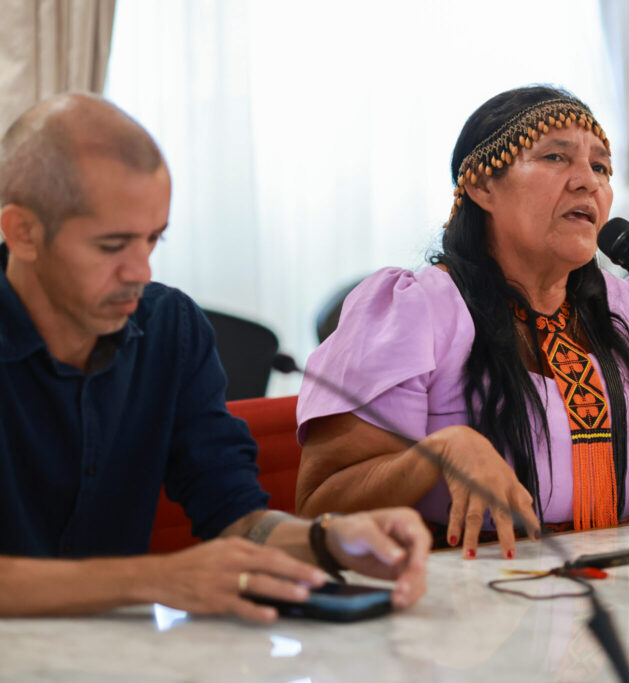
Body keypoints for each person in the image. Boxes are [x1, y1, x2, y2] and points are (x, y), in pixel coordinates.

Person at [0, 93, 430, 619]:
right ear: (22, 232)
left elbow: (237, 519)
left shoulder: (169, 328)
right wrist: (153, 578)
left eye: (153, 239)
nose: (141, 272)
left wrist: (330, 540)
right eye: (112, 246)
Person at [296, 85, 629, 560]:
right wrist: (438, 454)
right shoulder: (415, 309)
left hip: (605, 587)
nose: (587, 182)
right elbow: (318, 507)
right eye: (555, 157)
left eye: (600, 167)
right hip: (460, 588)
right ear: (482, 186)